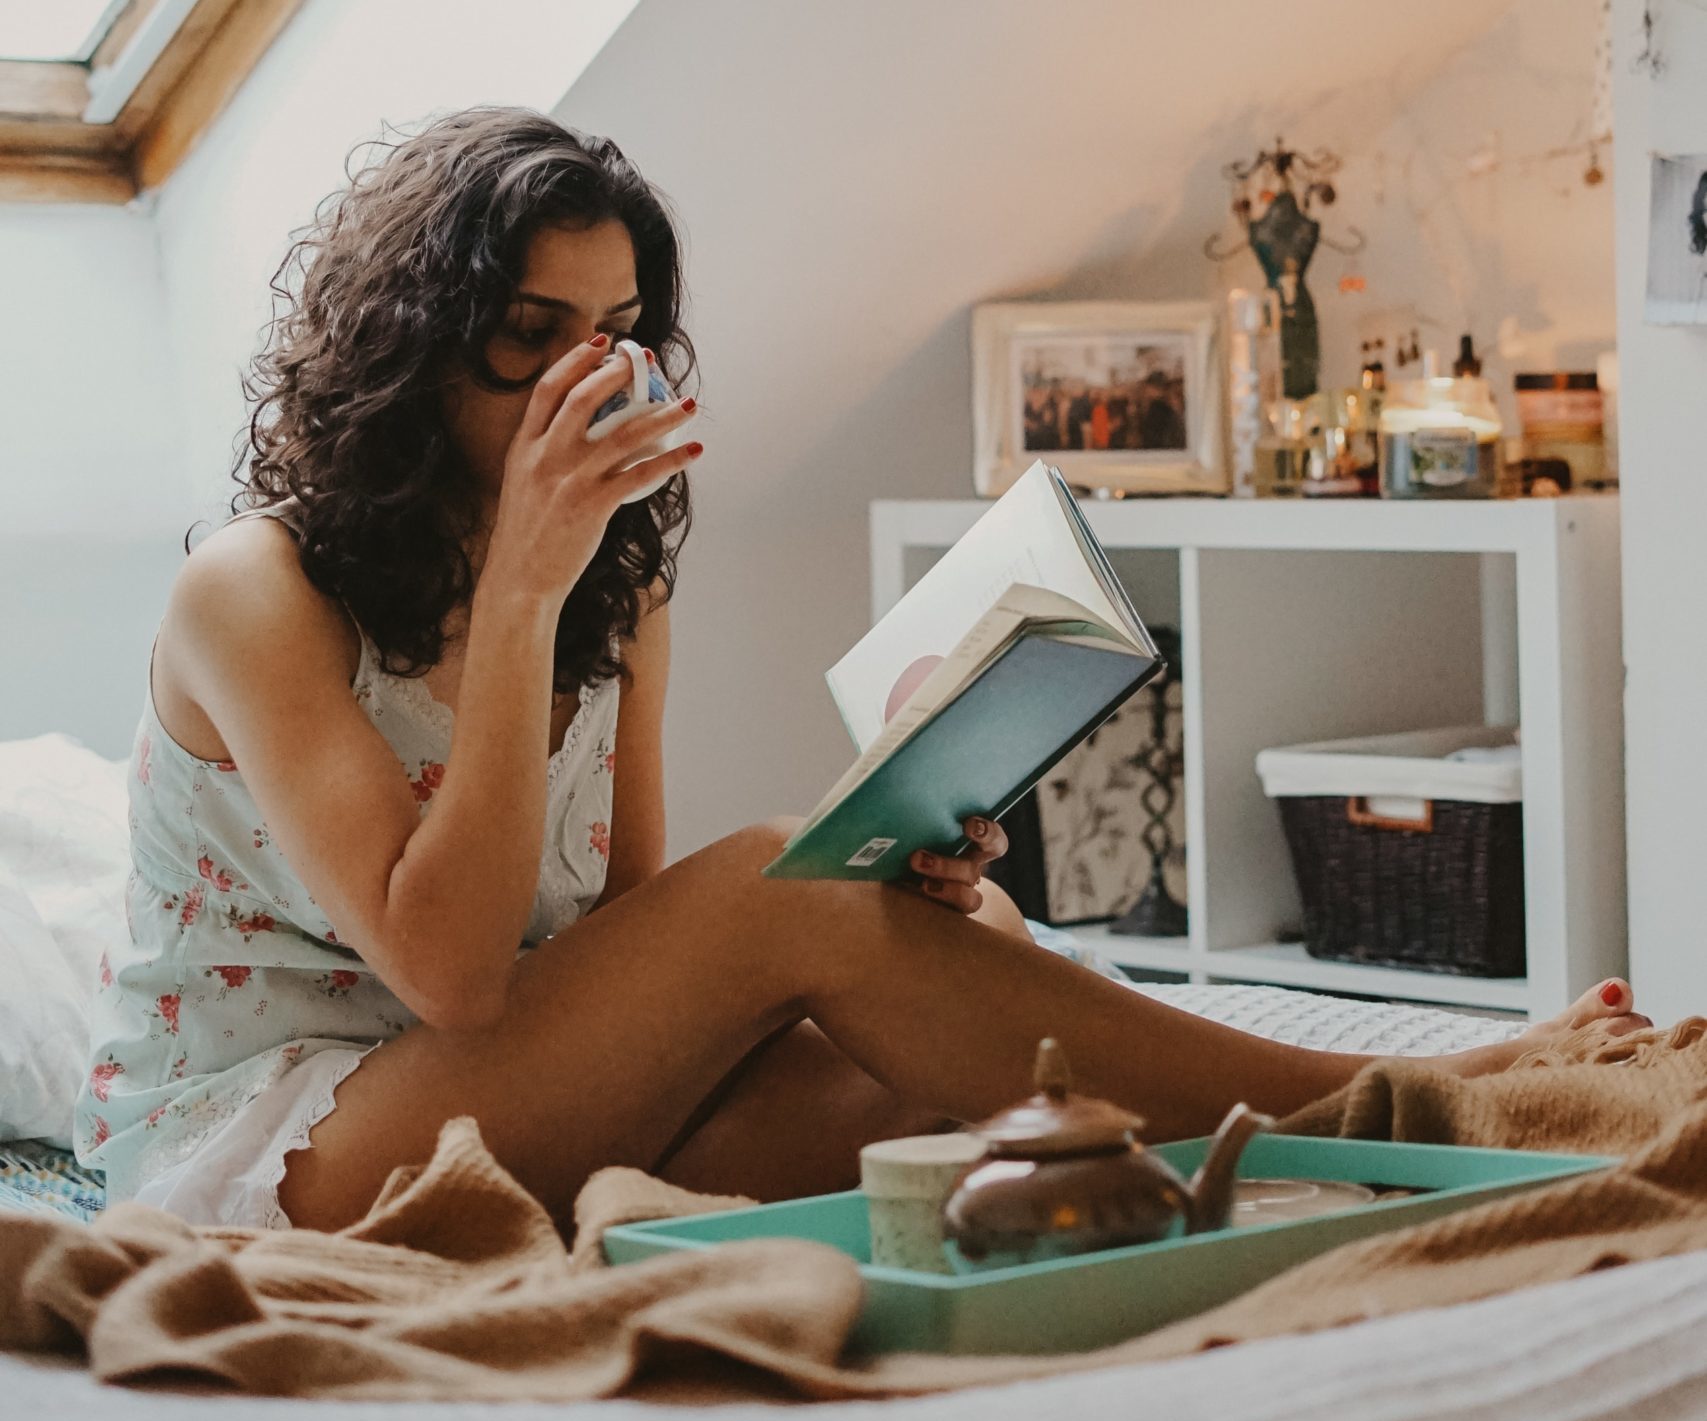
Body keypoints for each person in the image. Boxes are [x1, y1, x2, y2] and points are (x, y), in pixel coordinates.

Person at [72, 107, 1650, 1236]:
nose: (586, 380)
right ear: (412, 345)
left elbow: (618, 947)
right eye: (530, 331)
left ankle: (1317, 1144)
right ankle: (1396, 1102)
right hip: (287, 1139)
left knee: (956, 1001)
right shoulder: (259, 594)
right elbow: (456, 977)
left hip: (500, 1092)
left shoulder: (618, 577)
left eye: (616, 332)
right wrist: (521, 596)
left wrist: (896, 877)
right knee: (791, 895)